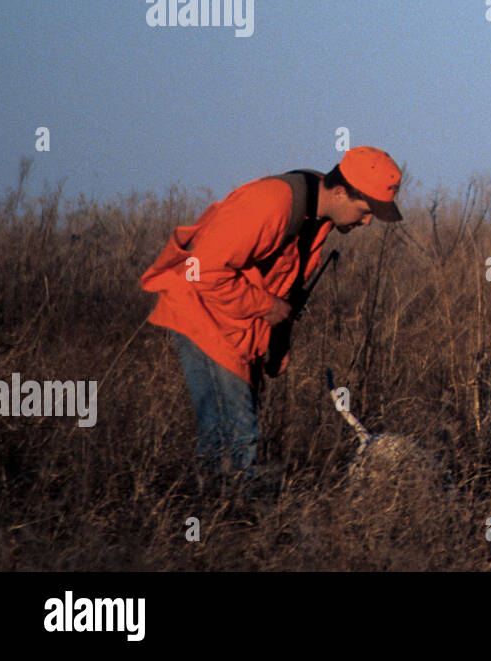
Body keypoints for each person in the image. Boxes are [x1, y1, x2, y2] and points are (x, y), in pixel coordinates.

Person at [140, 146, 403, 480]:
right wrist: (267, 307)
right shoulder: (271, 204)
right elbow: (201, 271)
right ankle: (229, 518)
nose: (367, 222)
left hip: (235, 324)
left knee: (232, 434)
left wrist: (277, 343)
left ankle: (223, 508)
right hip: (201, 315)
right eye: (366, 211)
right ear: (340, 193)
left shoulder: (316, 216)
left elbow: (280, 285)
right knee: (234, 434)